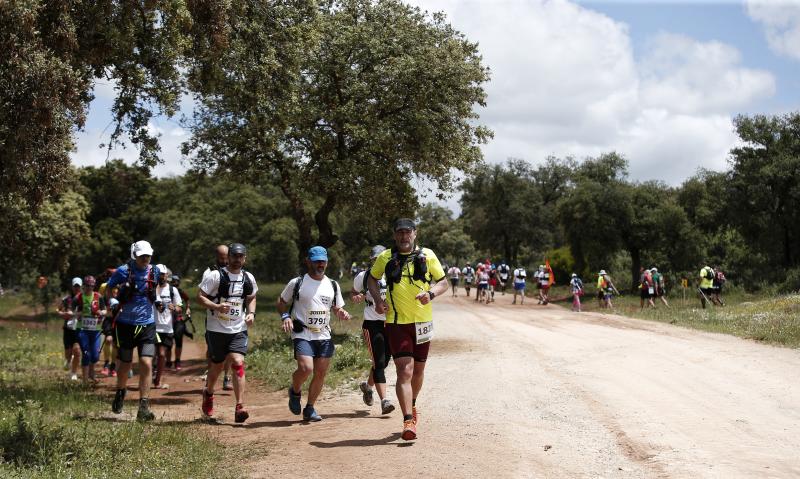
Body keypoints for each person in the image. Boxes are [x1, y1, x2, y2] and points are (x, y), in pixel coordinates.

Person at [367, 218, 448, 441]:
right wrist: (377, 300)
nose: (404, 236)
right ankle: (407, 421)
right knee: (405, 371)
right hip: (396, 323)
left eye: (408, 232)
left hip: (422, 323)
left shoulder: (428, 255)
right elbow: (372, 280)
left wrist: (430, 294)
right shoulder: (385, 257)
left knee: (419, 371)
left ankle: (412, 405)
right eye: (400, 232)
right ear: (394, 235)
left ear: (415, 233)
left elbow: (443, 282)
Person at [279, 246, 351, 422]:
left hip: (324, 335)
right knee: (306, 368)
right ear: (308, 261)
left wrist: (341, 312)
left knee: (320, 373)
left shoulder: (332, 284)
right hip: (302, 332)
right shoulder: (297, 283)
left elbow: (336, 306)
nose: (320, 264)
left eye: (323, 261)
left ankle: (310, 408)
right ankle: (295, 391)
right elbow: (281, 302)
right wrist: (285, 316)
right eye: (316, 261)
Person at [197, 243, 257, 423]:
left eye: (241, 257)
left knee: (238, 362)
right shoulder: (215, 276)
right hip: (216, 329)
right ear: (228, 257)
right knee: (216, 365)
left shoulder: (248, 277)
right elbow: (200, 296)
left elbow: (252, 297)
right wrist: (216, 306)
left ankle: (240, 407)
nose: (237, 260)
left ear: (244, 258)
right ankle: (208, 393)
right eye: (234, 256)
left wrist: (251, 313)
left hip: (238, 328)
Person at [105, 240, 162, 421]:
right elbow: (109, 288)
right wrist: (113, 303)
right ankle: (121, 392)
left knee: (146, 363)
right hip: (125, 324)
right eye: (141, 255)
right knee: (125, 364)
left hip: (147, 324)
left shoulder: (155, 271)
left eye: (148, 255)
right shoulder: (123, 271)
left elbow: (156, 288)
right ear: (134, 255)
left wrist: (159, 301)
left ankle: (143, 406)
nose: (145, 258)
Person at [351, 245, 395, 415]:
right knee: (378, 361)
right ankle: (385, 400)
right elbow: (354, 291)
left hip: (391, 323)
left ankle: (368, 387)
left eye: (381, 259)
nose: (378, 262)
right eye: (375, 259)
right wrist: (355, 296)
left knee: (382, 362)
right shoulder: (363, 276)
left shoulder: (393, 274)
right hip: (372, 323)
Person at [202, 245, 234, 390]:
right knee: (212, 350)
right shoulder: (209, 273)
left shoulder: (236, 272)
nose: (225, 261)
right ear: (217, 257)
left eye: (227, 257)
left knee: (229, 351)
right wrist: (216, 304)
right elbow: (203, 296)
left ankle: (227, 377)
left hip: (231, 318)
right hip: (213, 319)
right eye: (222, 258)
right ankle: (211, 376)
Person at [153, 265, 182, 389]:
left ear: (167, 275)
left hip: (167, 328)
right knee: (151, 354)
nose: (162, 276)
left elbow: (180, 307)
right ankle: (152, 376)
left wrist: (175, 308)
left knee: (161, 354)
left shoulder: (172, 290)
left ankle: (157, 380)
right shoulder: (151, 289)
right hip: (152, 327)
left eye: (164, 274)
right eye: (159, 274)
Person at [75, 275, 107, 384]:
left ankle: (91, 373)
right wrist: (77, 314)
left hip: (96, 330)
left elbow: (105, 310)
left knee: (95, 355)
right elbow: (70, 310)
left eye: (92, 286)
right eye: (87, 286)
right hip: (82, 329)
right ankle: (84, 381)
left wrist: (101, 313)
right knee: (86, 353)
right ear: (84, 286)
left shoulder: (98, 297)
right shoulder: (79, 297)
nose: (90, 288)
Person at [57, 278, 82, 381]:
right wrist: (63, 314)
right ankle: (68, 360)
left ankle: (73, 373)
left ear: (81, 287)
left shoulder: (84, 299)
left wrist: (77, 314)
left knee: (77, 351)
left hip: (79, 328)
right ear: (72, 286)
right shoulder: (66, 299)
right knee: (68, 351)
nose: (76, 288)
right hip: (68, 329)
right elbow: (58, 309)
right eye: (75, 286)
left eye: (78, 286)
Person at [170, 275, 192, 370]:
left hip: (178, 319)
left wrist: (188, 309)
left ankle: (177, 360)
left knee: (178, 340)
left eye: (177, 282)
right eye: (173, 281)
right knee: (168, 342)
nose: (175, 283)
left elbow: (187, 300)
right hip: (166, 320)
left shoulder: (180, 292)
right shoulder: (165, 290)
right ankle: (167, 361)